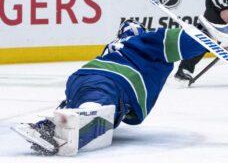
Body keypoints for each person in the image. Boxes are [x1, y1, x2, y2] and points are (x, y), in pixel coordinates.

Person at [12, 19, 208, 156]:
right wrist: (205, 35)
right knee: (96, 110)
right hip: (114, 80)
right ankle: (62, 135)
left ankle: (45, 128)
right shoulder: (144, 41)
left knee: (79, 106)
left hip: (81, 77)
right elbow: (179, 41)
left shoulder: (114, 45)